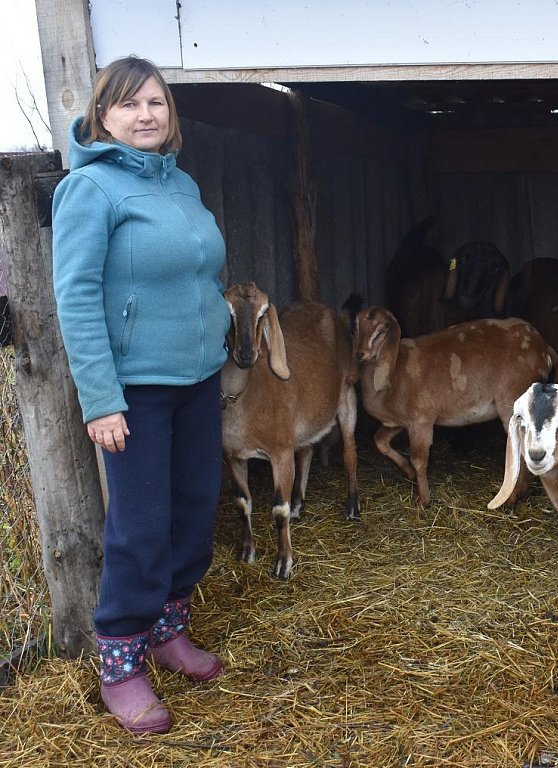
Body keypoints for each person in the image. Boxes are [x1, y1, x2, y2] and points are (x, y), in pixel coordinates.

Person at [51, 56, 230, 734]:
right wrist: (100, 398)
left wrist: (220, 327)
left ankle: (167, 629)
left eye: (155, 102)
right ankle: (120, 662)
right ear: (103, 116)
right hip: (135, 392)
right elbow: (75, 295)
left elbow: (199, 274)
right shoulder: (90, 190)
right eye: (129, 105)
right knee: (141, 526)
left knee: (193, 512)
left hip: (199, 378)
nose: (145, 115)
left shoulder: (181, 184)